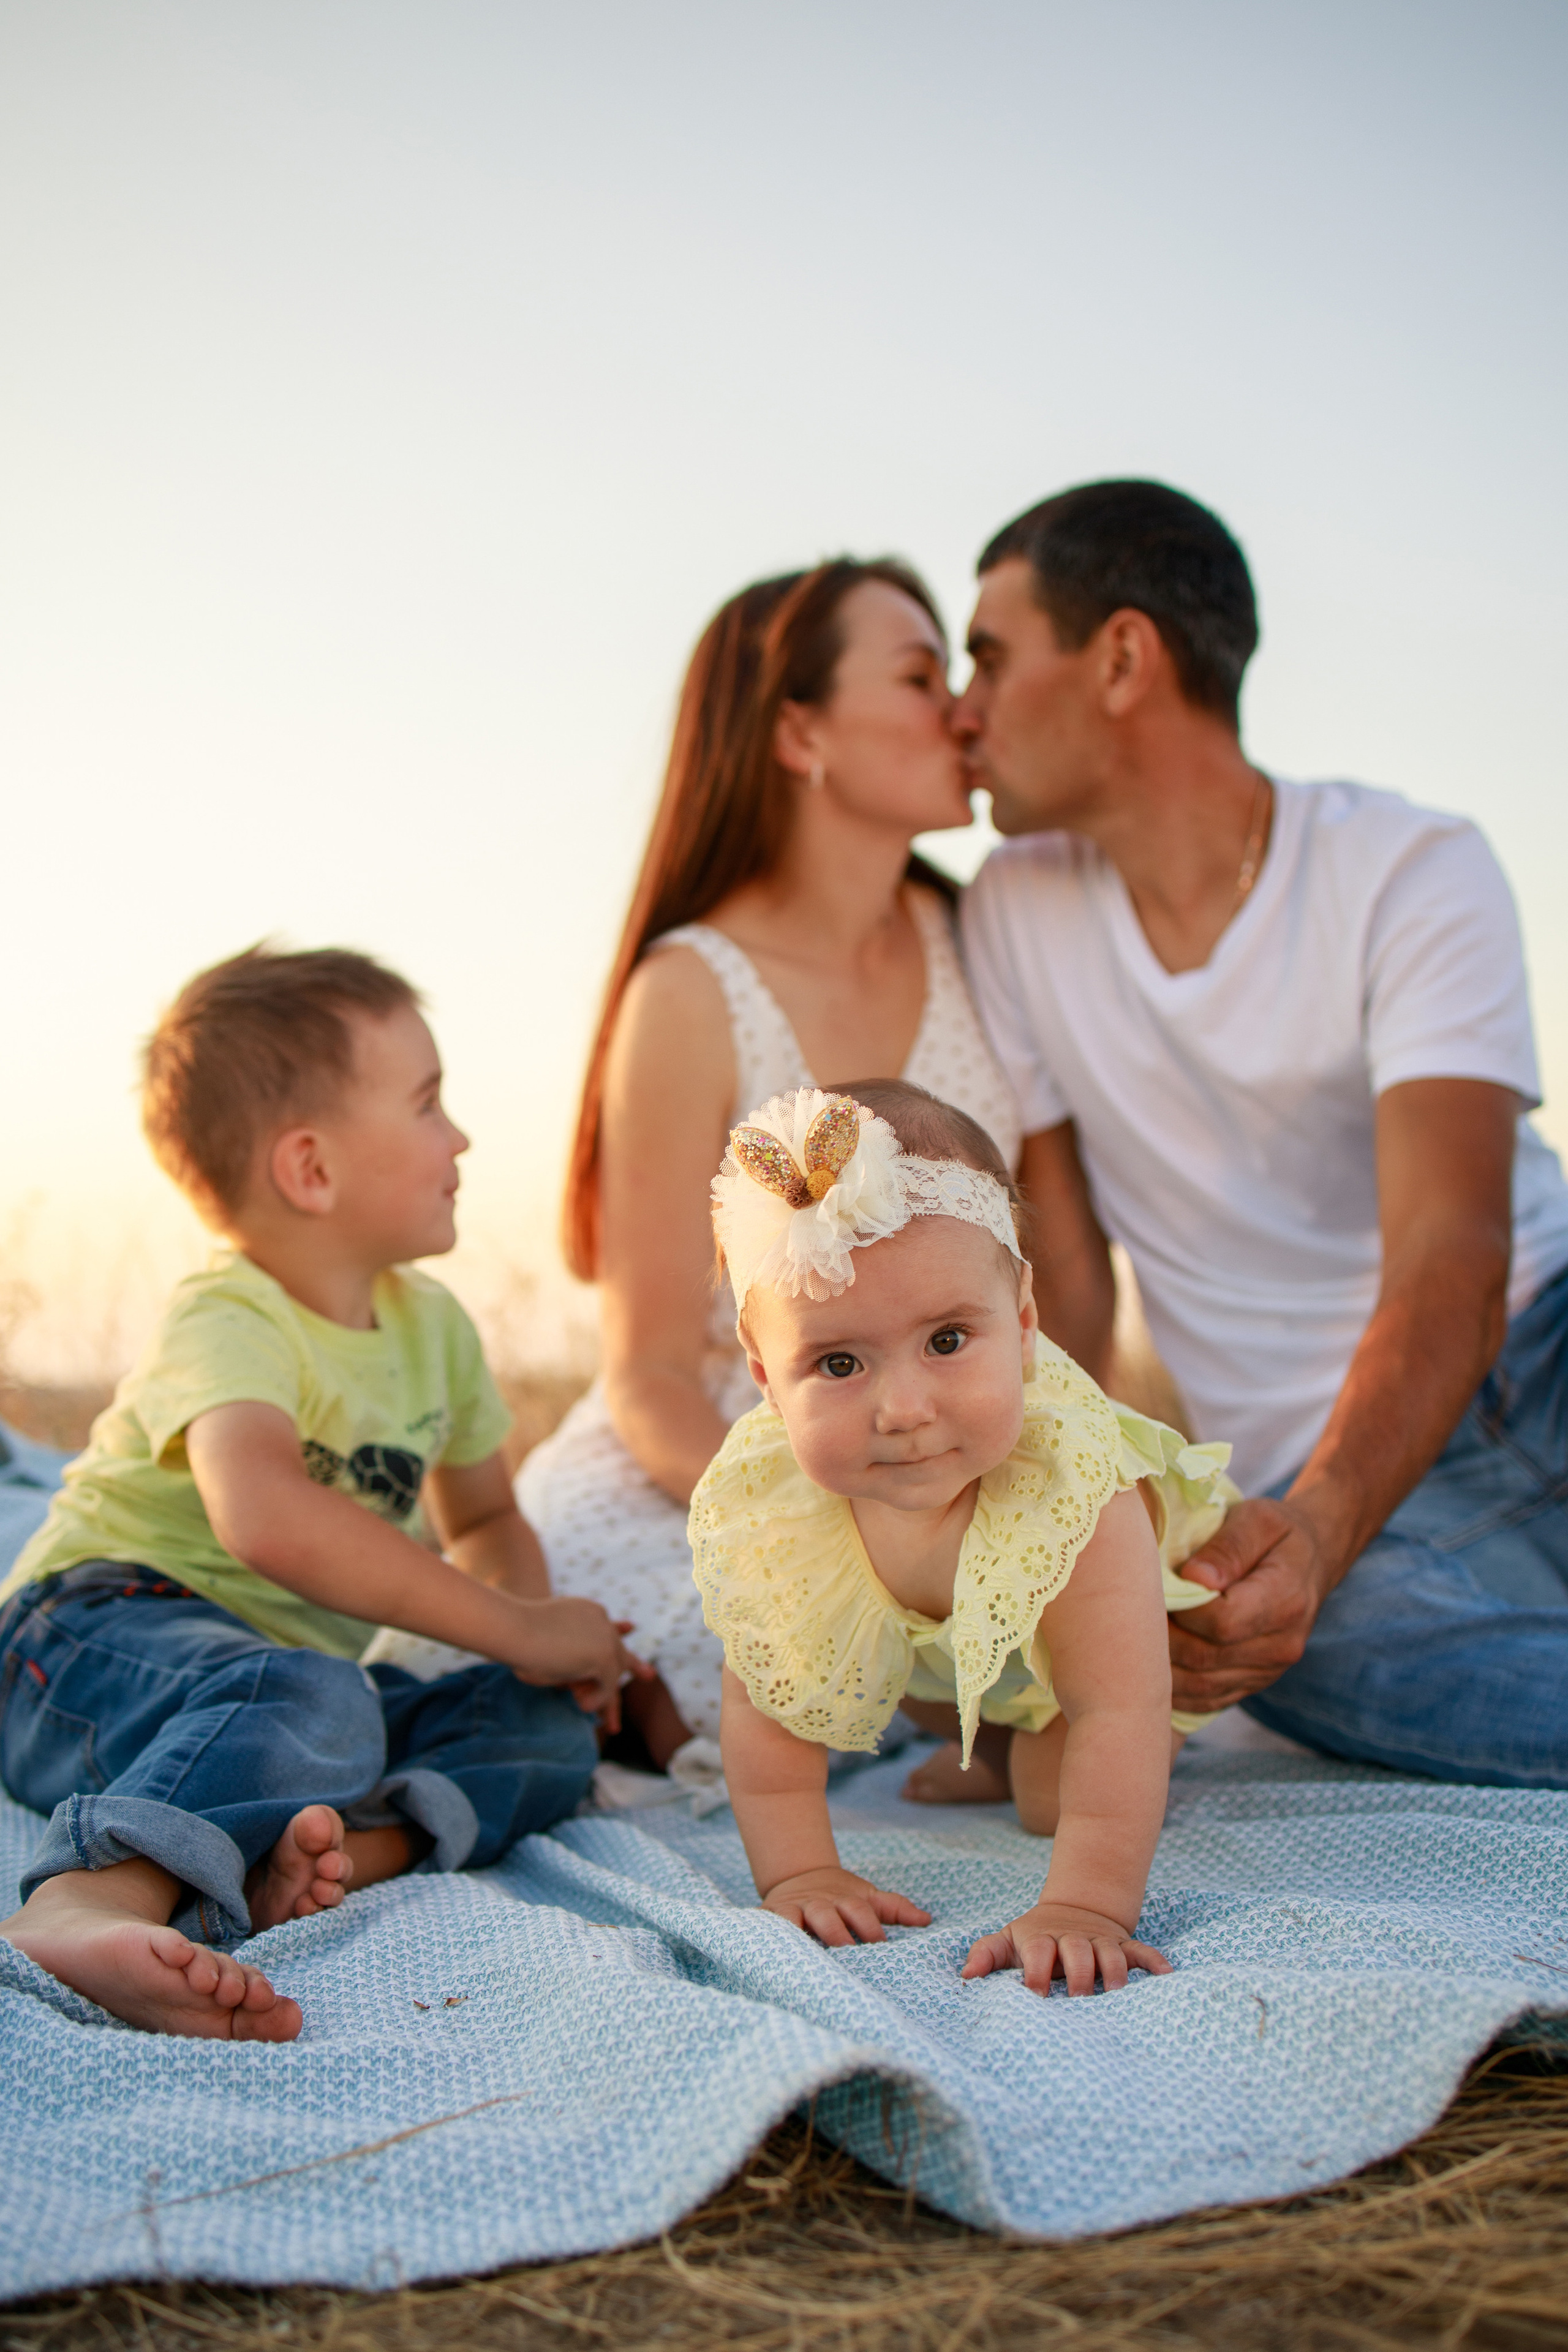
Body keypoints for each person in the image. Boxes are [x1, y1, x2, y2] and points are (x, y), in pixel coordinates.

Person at [954, 478, 1568, 1785]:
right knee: (1255, 1639)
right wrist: (1082, 1551)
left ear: (1120, 658)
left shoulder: (1411, 867)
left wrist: (1325, 1522)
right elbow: (1063, 1281)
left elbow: (1449, 1248)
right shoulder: (1009, 910)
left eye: (989, 658)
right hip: (1320, 1479)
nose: (962, 709)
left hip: (1535, 1342)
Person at [0, 946, 644, 2039]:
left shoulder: (433, 1328)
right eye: (430, 1104)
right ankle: (86, 1898)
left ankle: (325, 1856)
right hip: (84, 1642)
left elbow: (482, 1519)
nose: (464, 1138)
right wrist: (522, 1623)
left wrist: (520, 1652)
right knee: (312, 1696)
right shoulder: (229, 1315)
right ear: (311, 1170)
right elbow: (265, 1518)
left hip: (278, 1694)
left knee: (539, 1733)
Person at [510, 560, 1024, 1765]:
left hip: (950, 1443)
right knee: (729, 1658)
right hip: (722, 1475)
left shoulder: (982, 938)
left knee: (1096, 1637)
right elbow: (642, 1374)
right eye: (915, 676)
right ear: (798, 729)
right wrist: (836, 1521)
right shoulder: (691, 991)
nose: (958, 709)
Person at [689, 1080, 1238, 1995]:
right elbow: (765, 1709)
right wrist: (801, 1875)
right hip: (972, 1651)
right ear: (766, 1379)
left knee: (1055, 1799)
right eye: (837, 1363)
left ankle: (1024, 1751)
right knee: (854, 1684)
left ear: (1022, 1324)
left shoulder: (1072, 1486)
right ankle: (992, 1736)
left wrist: (1087, 1907)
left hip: (1133, 1649)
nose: (903, 1410)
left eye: (948, 1340)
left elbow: (1119, 1705)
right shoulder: (776, 1502)